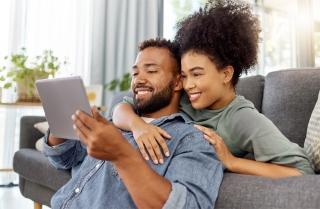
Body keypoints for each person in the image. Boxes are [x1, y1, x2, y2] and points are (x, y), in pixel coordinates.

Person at [112, 0, 314, 178]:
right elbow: (122, 107)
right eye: (184, 75)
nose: (187, 84)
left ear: (226, 74)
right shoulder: (182, 95)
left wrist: (231, 161)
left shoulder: (242, 118)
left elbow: (301, 170)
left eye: (197, 74)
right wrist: (138, 127)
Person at [43, 38, 223, 209]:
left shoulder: (190, 139)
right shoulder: (114, 123)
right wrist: (65, 118)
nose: (139, 79)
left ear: (177, 82)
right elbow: (64, 158)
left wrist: (122, 155)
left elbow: (188, 205)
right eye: (135, 73)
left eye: (151, 71)